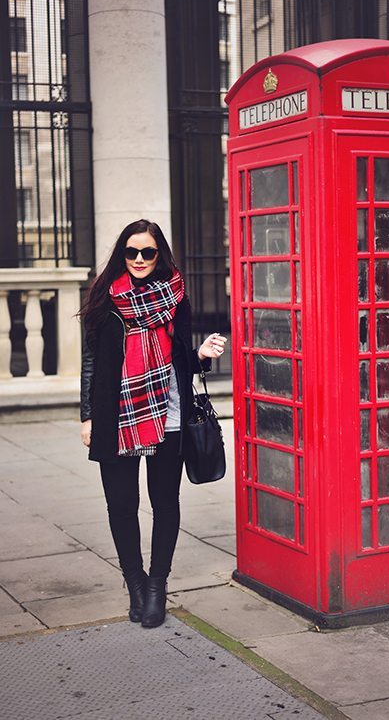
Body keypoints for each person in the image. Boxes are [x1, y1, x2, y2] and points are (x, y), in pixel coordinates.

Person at [79, 219, 227, 628]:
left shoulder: (176, 297)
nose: (140, 259)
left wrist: (202, 353)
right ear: (121, 254)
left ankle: (158, 585)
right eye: (132, 252)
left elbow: (182, 356)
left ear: (159, 254)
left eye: (148, 252)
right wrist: (87, 415)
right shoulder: (104, 299)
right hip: (116, 416)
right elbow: (90, 363)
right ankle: (136, 584)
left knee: (165, 503)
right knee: (122, 506)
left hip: (170, 414)